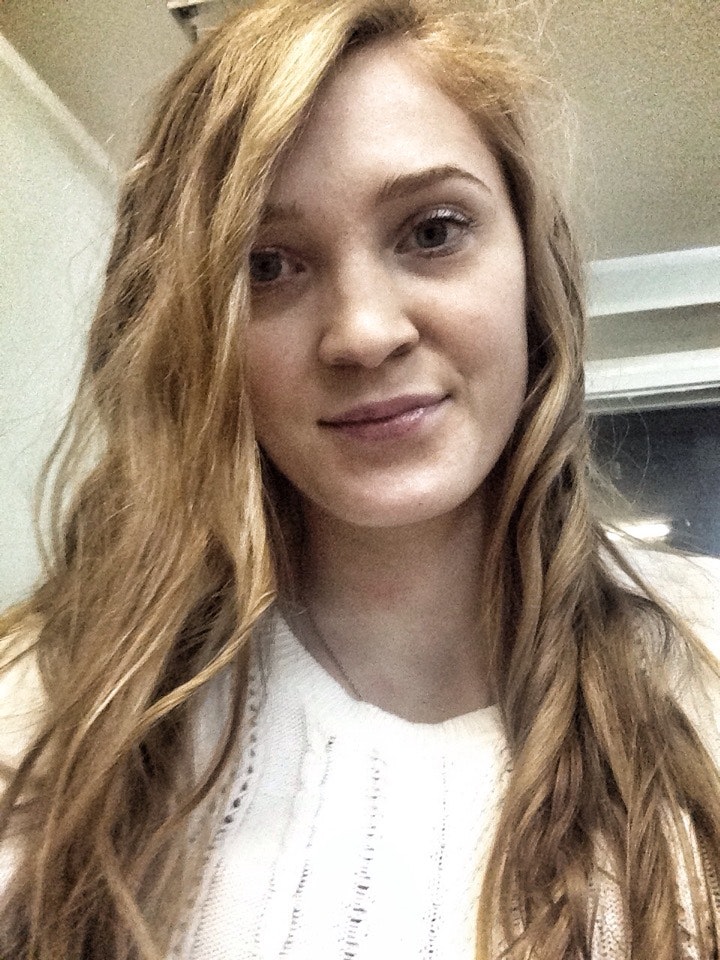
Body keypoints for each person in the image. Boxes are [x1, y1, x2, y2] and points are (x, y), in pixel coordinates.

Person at [1, 0, 719, 958]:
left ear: (531, 266)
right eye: (266, 265)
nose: (365, 332)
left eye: (433, 231)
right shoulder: (48, 719)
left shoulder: (707, 656)